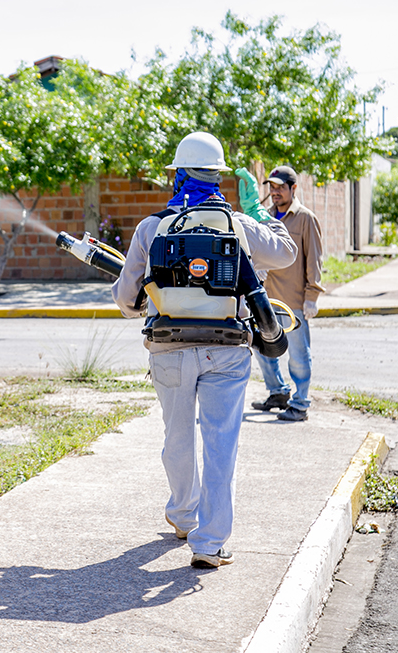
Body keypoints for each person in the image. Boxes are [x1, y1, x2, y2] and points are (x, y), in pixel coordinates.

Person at [112, 132, 296, 569]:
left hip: (169, 348)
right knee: (220, 443)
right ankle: (210, 543)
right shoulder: (239, 223)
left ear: (176, 174)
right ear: (220, 176)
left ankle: (181, 516)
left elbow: (125, 301)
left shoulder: (150, 226)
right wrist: (258, 214)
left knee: (176, 436)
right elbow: (286, 254)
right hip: (228, 349)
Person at [243, 166, 324, 422]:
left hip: (294, 300)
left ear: (293, 188)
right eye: (272, 187)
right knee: (262, 348)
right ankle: (278, 392)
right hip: (266, 299)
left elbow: (314, 259)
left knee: (298, 355)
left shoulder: (305, 218)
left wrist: (312, 295)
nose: (275, 192)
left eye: (280, 187)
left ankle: (300, 403)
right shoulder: (264, 216)